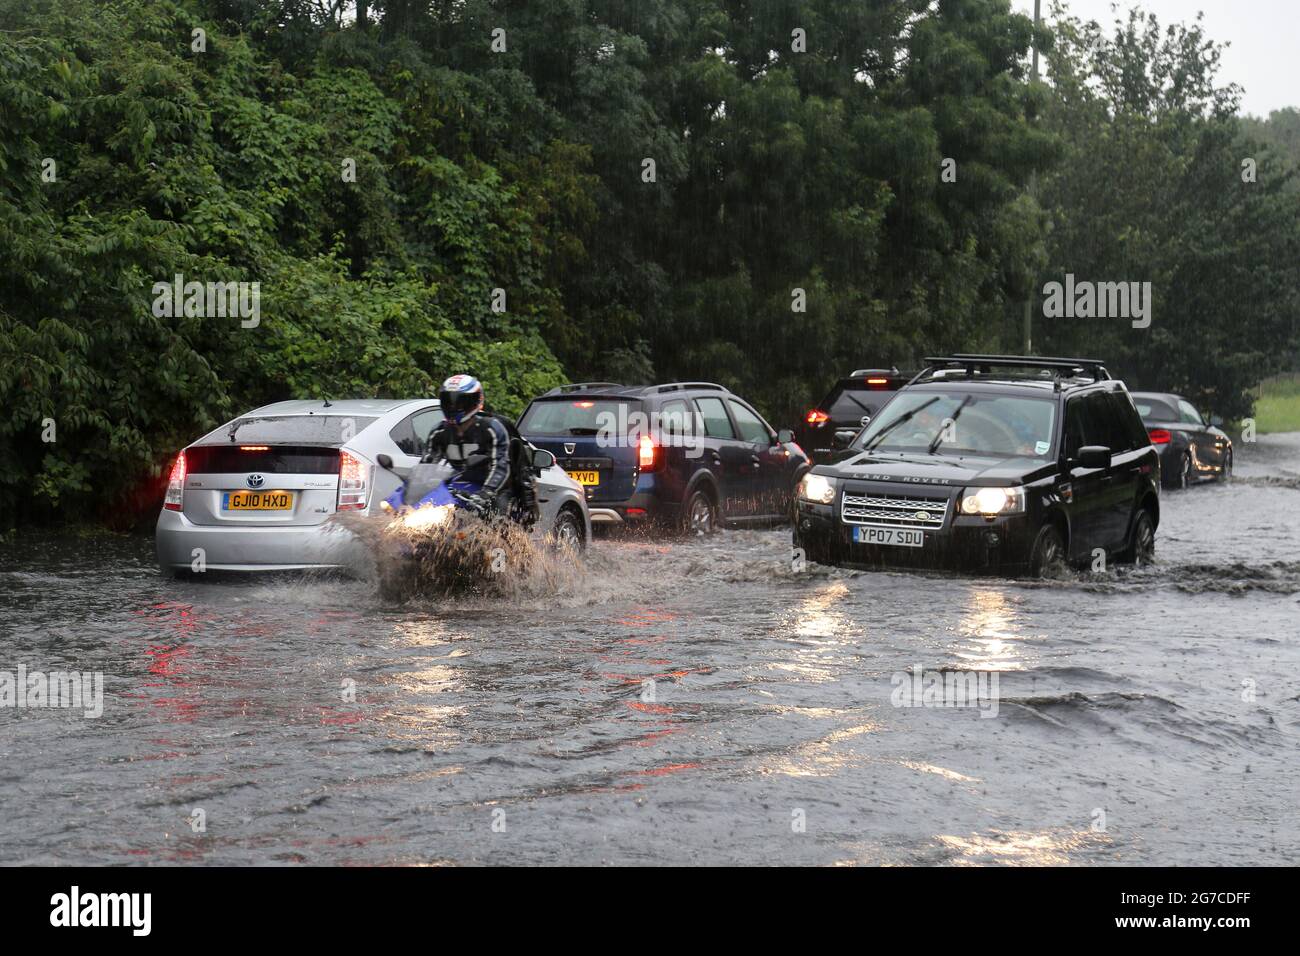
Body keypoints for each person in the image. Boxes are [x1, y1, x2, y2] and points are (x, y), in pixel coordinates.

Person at [423, 374, 512, 516]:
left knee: (499, 518)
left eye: (460, 402)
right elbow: (427, 464)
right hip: (462, 484)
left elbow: (500, 465)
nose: (453, 406)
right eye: (449, 401)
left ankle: (509, 537)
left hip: (494, 488)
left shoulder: (491, 429)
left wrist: (486, 493)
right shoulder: (439, 432)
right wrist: (414, 487)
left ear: (474, 401)